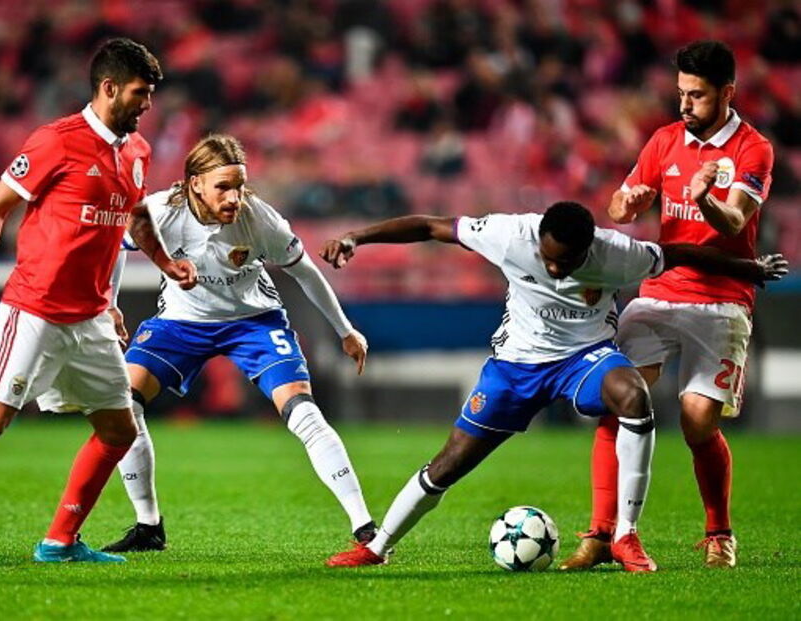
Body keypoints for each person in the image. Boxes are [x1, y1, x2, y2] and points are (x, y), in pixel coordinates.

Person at [0, 38, 197, 569]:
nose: (147, 105)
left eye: (152, 94)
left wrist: (164, 263)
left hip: (91, 318)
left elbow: (134, 217)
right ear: (109, 88)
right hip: (35, 310)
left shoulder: (136, 152)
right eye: (140, 93)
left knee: (119, 430)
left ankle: (60, 542)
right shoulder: (55, 141)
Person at [320, 203, 786, 571]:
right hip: (516, 367)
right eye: (548, 259)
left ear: (589, 250)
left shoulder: (616, 253)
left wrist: (747, 269)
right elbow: (429, 226)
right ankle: (378, 547)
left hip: (584, 360)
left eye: (566, 263)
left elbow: (680, 254)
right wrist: (356, 237)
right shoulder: (510, 235)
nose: (555, 270)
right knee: (448, 464)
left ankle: (624, 534)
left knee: (632, 394)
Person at [100, 134, 376, 553]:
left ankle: (365, 528)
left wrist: (345, 330)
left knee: (303, 412)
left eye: (240, 186)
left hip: (254, 322)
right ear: (194, 183)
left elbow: (305, 273)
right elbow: (118, 245)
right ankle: (148, 525)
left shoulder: (260, 218)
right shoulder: (160, 212)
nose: (235, 197)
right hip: (181, 322)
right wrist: (111, 302)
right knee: (123, 404)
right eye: (223, 187)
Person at [561, 41, 775, 571]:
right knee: (619, 397)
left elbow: (734, 222)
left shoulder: (754, 150)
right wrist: (626, 204)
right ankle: (601, 535)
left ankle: (719, 532)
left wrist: (704, 196)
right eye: (680, 93)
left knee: (698, 422)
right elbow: (618, 202)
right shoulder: (663, 141)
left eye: (697, 96)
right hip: (660, 292)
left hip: (723, 298)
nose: (684, 104)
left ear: (727, 93)